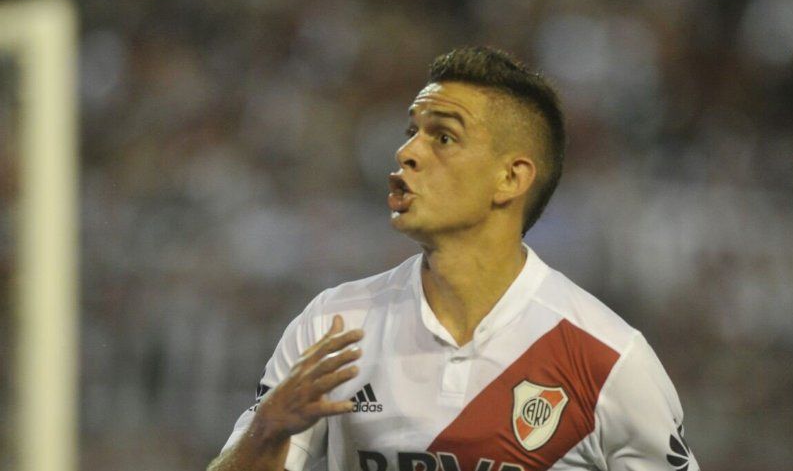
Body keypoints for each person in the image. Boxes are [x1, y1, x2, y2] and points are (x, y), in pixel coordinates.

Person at [207, 47, 700, 471]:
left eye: (443, 137)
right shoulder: (335, 328)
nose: (406, 152)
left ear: (510, 178)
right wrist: (267, 429)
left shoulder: (605, 359)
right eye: (411, 131)